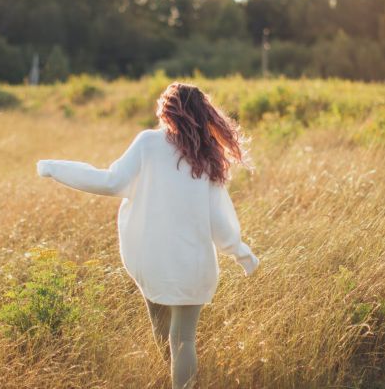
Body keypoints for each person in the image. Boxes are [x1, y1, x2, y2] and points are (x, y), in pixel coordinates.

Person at [36, 82, 260, 389]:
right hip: (192, 265)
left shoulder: (147, 143)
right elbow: (220, 221)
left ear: (167, 111)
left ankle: (177, 378)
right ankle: (182, 382)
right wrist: (242, 255)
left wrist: (54, 168)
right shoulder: (206, 156)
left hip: (151, 259)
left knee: (163, 330)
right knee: (183, 339)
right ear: (202, 113)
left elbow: (110, 182)